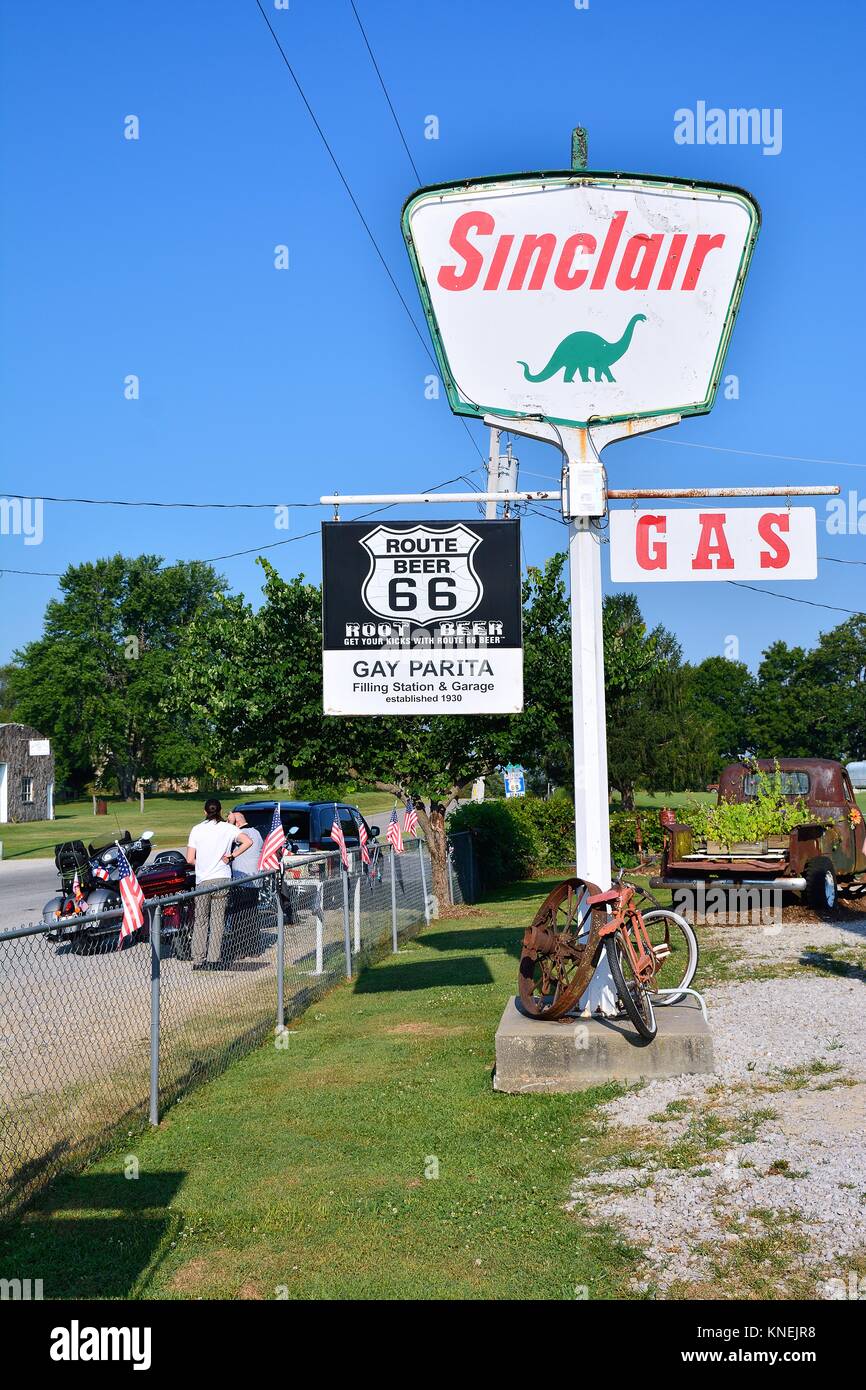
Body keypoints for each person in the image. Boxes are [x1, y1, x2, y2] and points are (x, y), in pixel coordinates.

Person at [185, 798, 245, 969]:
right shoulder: (229, 828)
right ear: (220, 811)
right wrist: (232, 856)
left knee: (201, 920)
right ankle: (213, 959)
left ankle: (198, 959)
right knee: (218, 921)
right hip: (222, 878)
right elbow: (248, 841)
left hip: (203, 879)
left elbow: (190, 859)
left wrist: (203, 862)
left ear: (205, 811)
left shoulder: (196, 830)